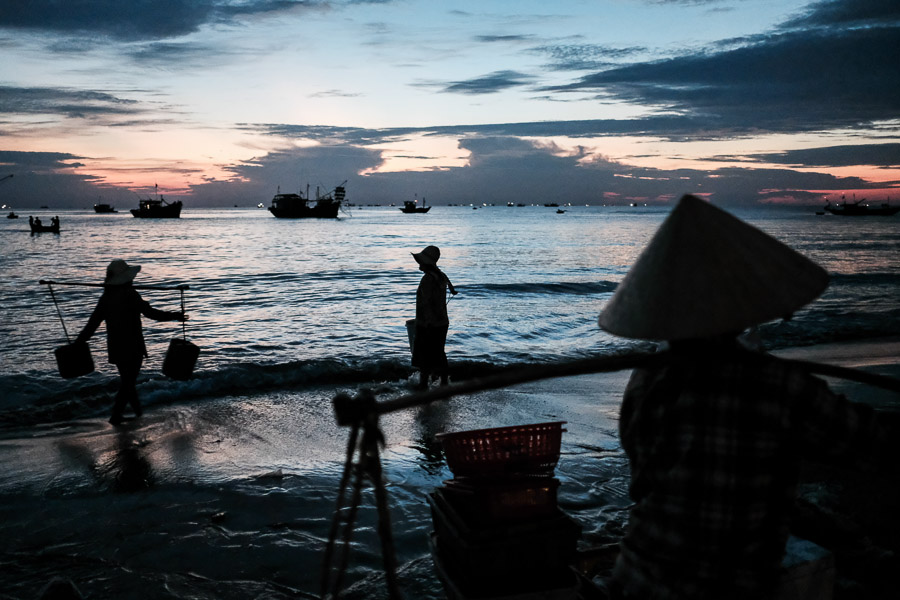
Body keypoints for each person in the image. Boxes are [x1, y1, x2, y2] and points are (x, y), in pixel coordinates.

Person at [597, 194, 895, 599]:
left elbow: (648, 485)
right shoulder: (777, 385)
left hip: (636, 579)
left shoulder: (648, 380)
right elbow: (873, 444)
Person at [76, 259, 185, 425]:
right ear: (126, 279)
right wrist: (175, 316)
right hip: (133, 346)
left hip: (116, 347)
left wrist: (78, 342)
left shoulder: (106, 298)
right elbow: (151, 313)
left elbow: (92, 324)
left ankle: (137, 412)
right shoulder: (130, 295)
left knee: (128, 380)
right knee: (128, 381)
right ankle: (116, 416)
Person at [411, 245, 457, 389]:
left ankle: (423, 383)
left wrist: (426, 323)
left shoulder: (427, 280)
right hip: (442, 322)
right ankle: (444, 381)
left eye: (421, 261)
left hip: (428, 322)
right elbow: (451, 288)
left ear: (426, 263)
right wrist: (452, 290)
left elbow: (426, 303)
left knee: (424, 354)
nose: (419, 264)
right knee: (439, 352)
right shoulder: (440, 275)